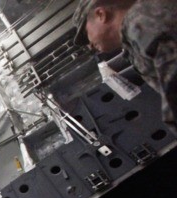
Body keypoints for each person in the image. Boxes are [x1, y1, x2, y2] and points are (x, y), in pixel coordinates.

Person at [73, 0, 177, 135]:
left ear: (100, 14)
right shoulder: (135, 31)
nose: (89, 46)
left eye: (85, 35)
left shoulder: (140, 22)